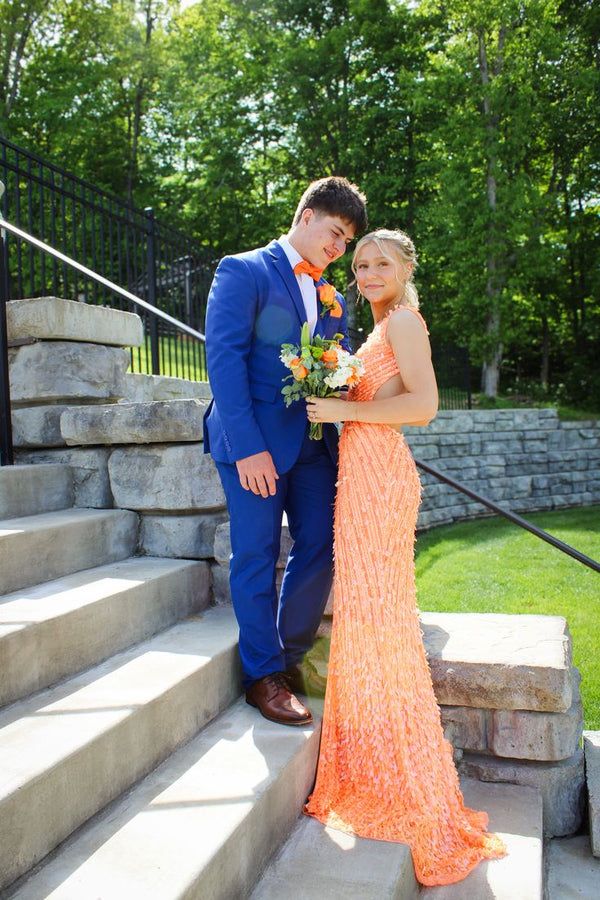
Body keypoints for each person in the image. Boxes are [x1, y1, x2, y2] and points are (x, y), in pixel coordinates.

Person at [303, 229, 506, 886]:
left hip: (381, 478)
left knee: (381, 620)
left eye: (381, 263)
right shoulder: (378, 327)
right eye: (360, 264)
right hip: (359, 474)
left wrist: (338, 405)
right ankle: (372, 759)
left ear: (405, 268)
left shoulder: (406, 323)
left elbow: (424, 405)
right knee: (369, 621)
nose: (368, 273)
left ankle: (402, 775)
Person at [203, 176, 368, 727]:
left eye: (346, 241)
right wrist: (247, 449)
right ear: (306, 216)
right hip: (253, 443)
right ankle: (263, 677)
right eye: (335, 232)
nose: (338, 247)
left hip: (314, 443)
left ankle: (289, 657)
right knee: (256, 552)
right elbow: (224, 361)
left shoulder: (332, 295)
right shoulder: (243, 270)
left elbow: (338, 357)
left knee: (322, 542)